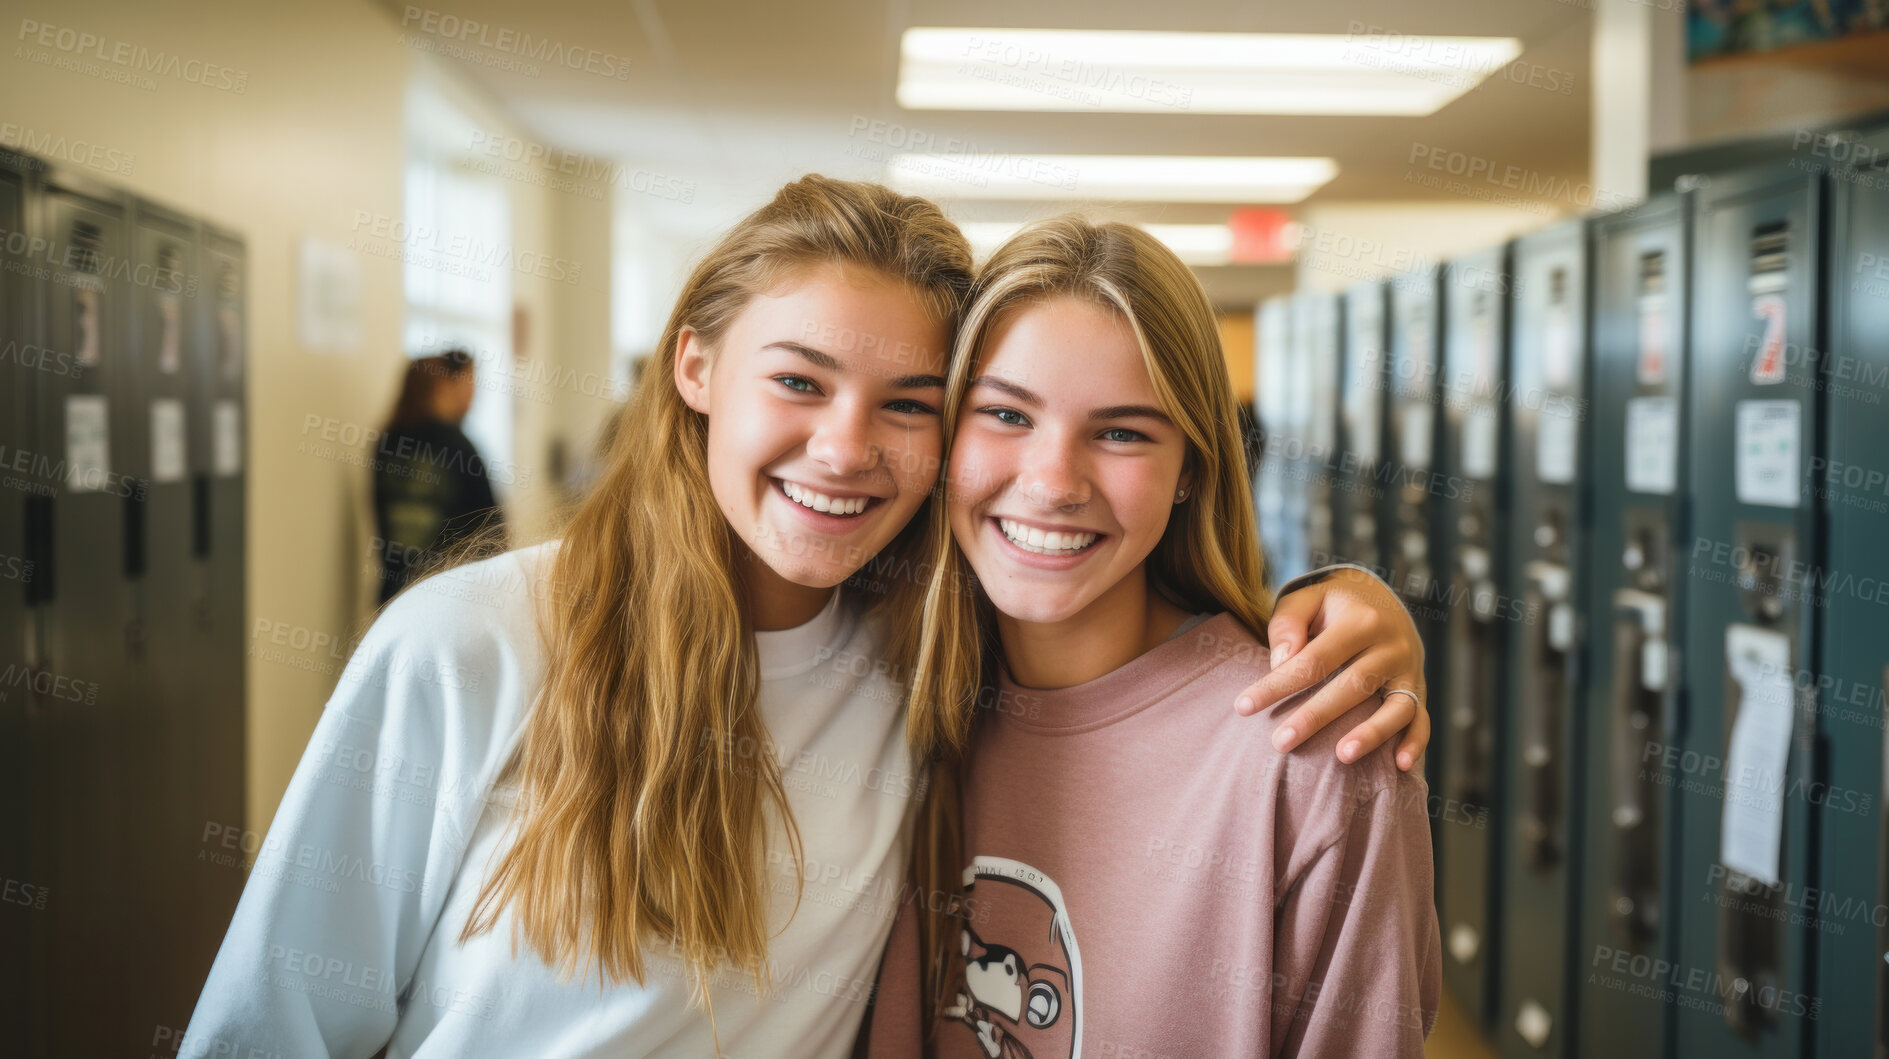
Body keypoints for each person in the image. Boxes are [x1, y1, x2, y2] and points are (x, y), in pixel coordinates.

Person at [184, 177, 1427, 1059]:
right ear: (694, 369)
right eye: (796, 379)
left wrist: (1347, 600)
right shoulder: (469, 647)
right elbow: (264, 1031)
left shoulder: (918, 669)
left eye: (907, 402)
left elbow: (1133, 671)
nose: (844, 450)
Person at [869, 217, 1441, 1057]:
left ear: (1190, 473)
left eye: (1123, 431)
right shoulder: (883, 697)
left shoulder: (1310, 756)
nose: (1053, 482)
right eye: (1003, 412)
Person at [372, 349, 506, 604]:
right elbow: (492, 527)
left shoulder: (386, 442)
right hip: (450, 594)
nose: (473, 396)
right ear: (446, 384)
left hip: (395, 592)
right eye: (470, 383)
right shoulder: (459, 447)